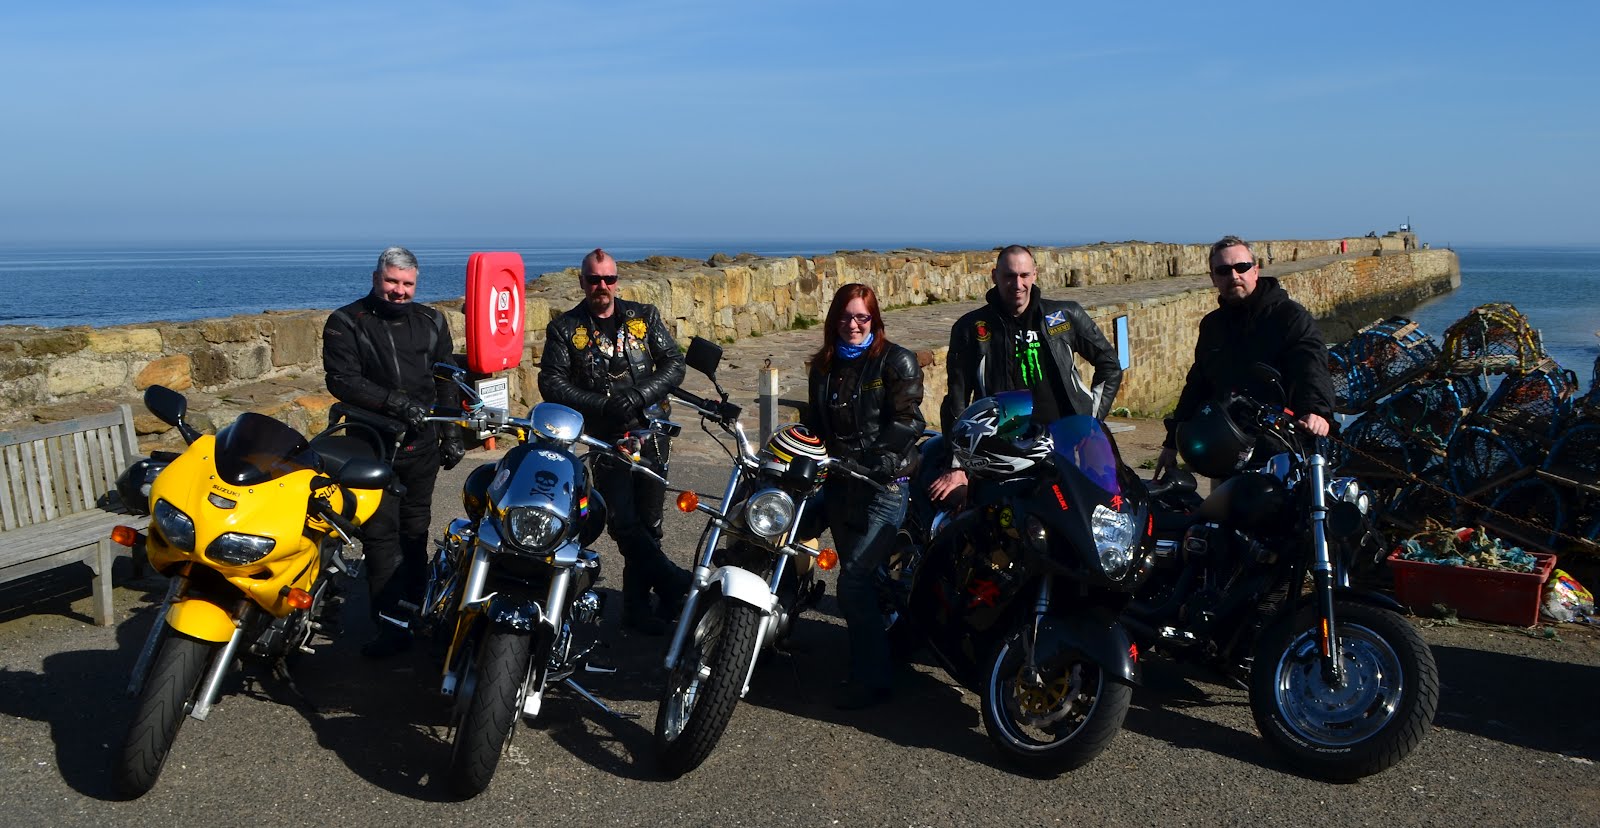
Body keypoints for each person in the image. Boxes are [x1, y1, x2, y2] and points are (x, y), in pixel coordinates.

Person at [538, 248, 691, 636]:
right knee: (622, 523)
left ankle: (638, 609)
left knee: (650, 522)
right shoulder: (564, 328)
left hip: (651, 431)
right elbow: (551, 382)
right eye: (594, 279)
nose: (601, 287)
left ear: (617, 280)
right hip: (604, 438)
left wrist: (639, 395)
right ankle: (675, 585)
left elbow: (674, 363)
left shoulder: (645, 316)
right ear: (582, 282)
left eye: (608, 279)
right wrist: (604, 405)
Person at [322, 246, 464, 658]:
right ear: (375, 277)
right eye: (391, 282)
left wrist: (452, 431)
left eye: (407, 284)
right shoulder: (346, 321)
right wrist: (395, 404)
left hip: (422, 443)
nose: (399, 291)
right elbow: (342, 380)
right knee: (381, 536)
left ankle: (415, 609)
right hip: (371, 445)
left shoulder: (431, 320)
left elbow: (447, 377)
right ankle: (388, 626)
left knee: (416, 530)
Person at [801, 284, 926, 710]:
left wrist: (881, 459)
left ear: (875, 320)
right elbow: (815, 423)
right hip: (838, 483)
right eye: (845, 317)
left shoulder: (896, 361)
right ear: (834, 319)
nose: (853, 325)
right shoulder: (824, 365)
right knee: (779, 528)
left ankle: (873, 679)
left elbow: (909, 420)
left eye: (862, 318)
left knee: (852, 582)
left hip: (883, 487)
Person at [929, 244, 1122, 504]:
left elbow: (1109, 363)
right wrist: (956, 465)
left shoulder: (1063, 315)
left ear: (1035, 275)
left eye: (1023, 275)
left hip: (1068, 436)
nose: (1017, 284)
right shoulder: (971, 328)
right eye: (1009, 276)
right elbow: (957, 397)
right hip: (1008, 441)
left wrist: (1091, 418)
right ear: (994, 276)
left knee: (1102, 505)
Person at [1152, 235, 1334, 481]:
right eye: (1224, 270)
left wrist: (1315, 411)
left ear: (1256, 271)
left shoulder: (1289, 317)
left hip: (1281, 445)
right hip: (1227, 445)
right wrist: (1172, 441)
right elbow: (1198, 384)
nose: (1234, 276)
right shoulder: (1212, 325)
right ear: (1213, 278)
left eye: (1242, 267)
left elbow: (1311, 366)